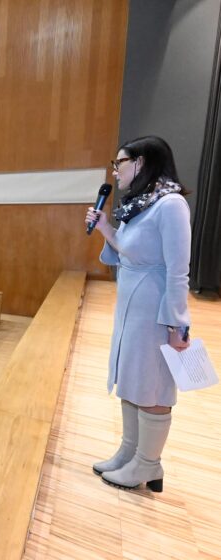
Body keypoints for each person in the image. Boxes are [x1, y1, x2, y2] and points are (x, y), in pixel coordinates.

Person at [85, 136, 191, 493]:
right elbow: (127, 252)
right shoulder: (140, 204)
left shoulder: (170, 204)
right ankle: (130, 452)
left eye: (120, 163)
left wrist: (177, 322)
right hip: (131, 304)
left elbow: (179, 270)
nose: (115, 171)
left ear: (141, 162)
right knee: (131, 379)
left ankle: (149, 464)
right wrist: (104, 228)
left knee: (155, 387)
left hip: (155, 311)